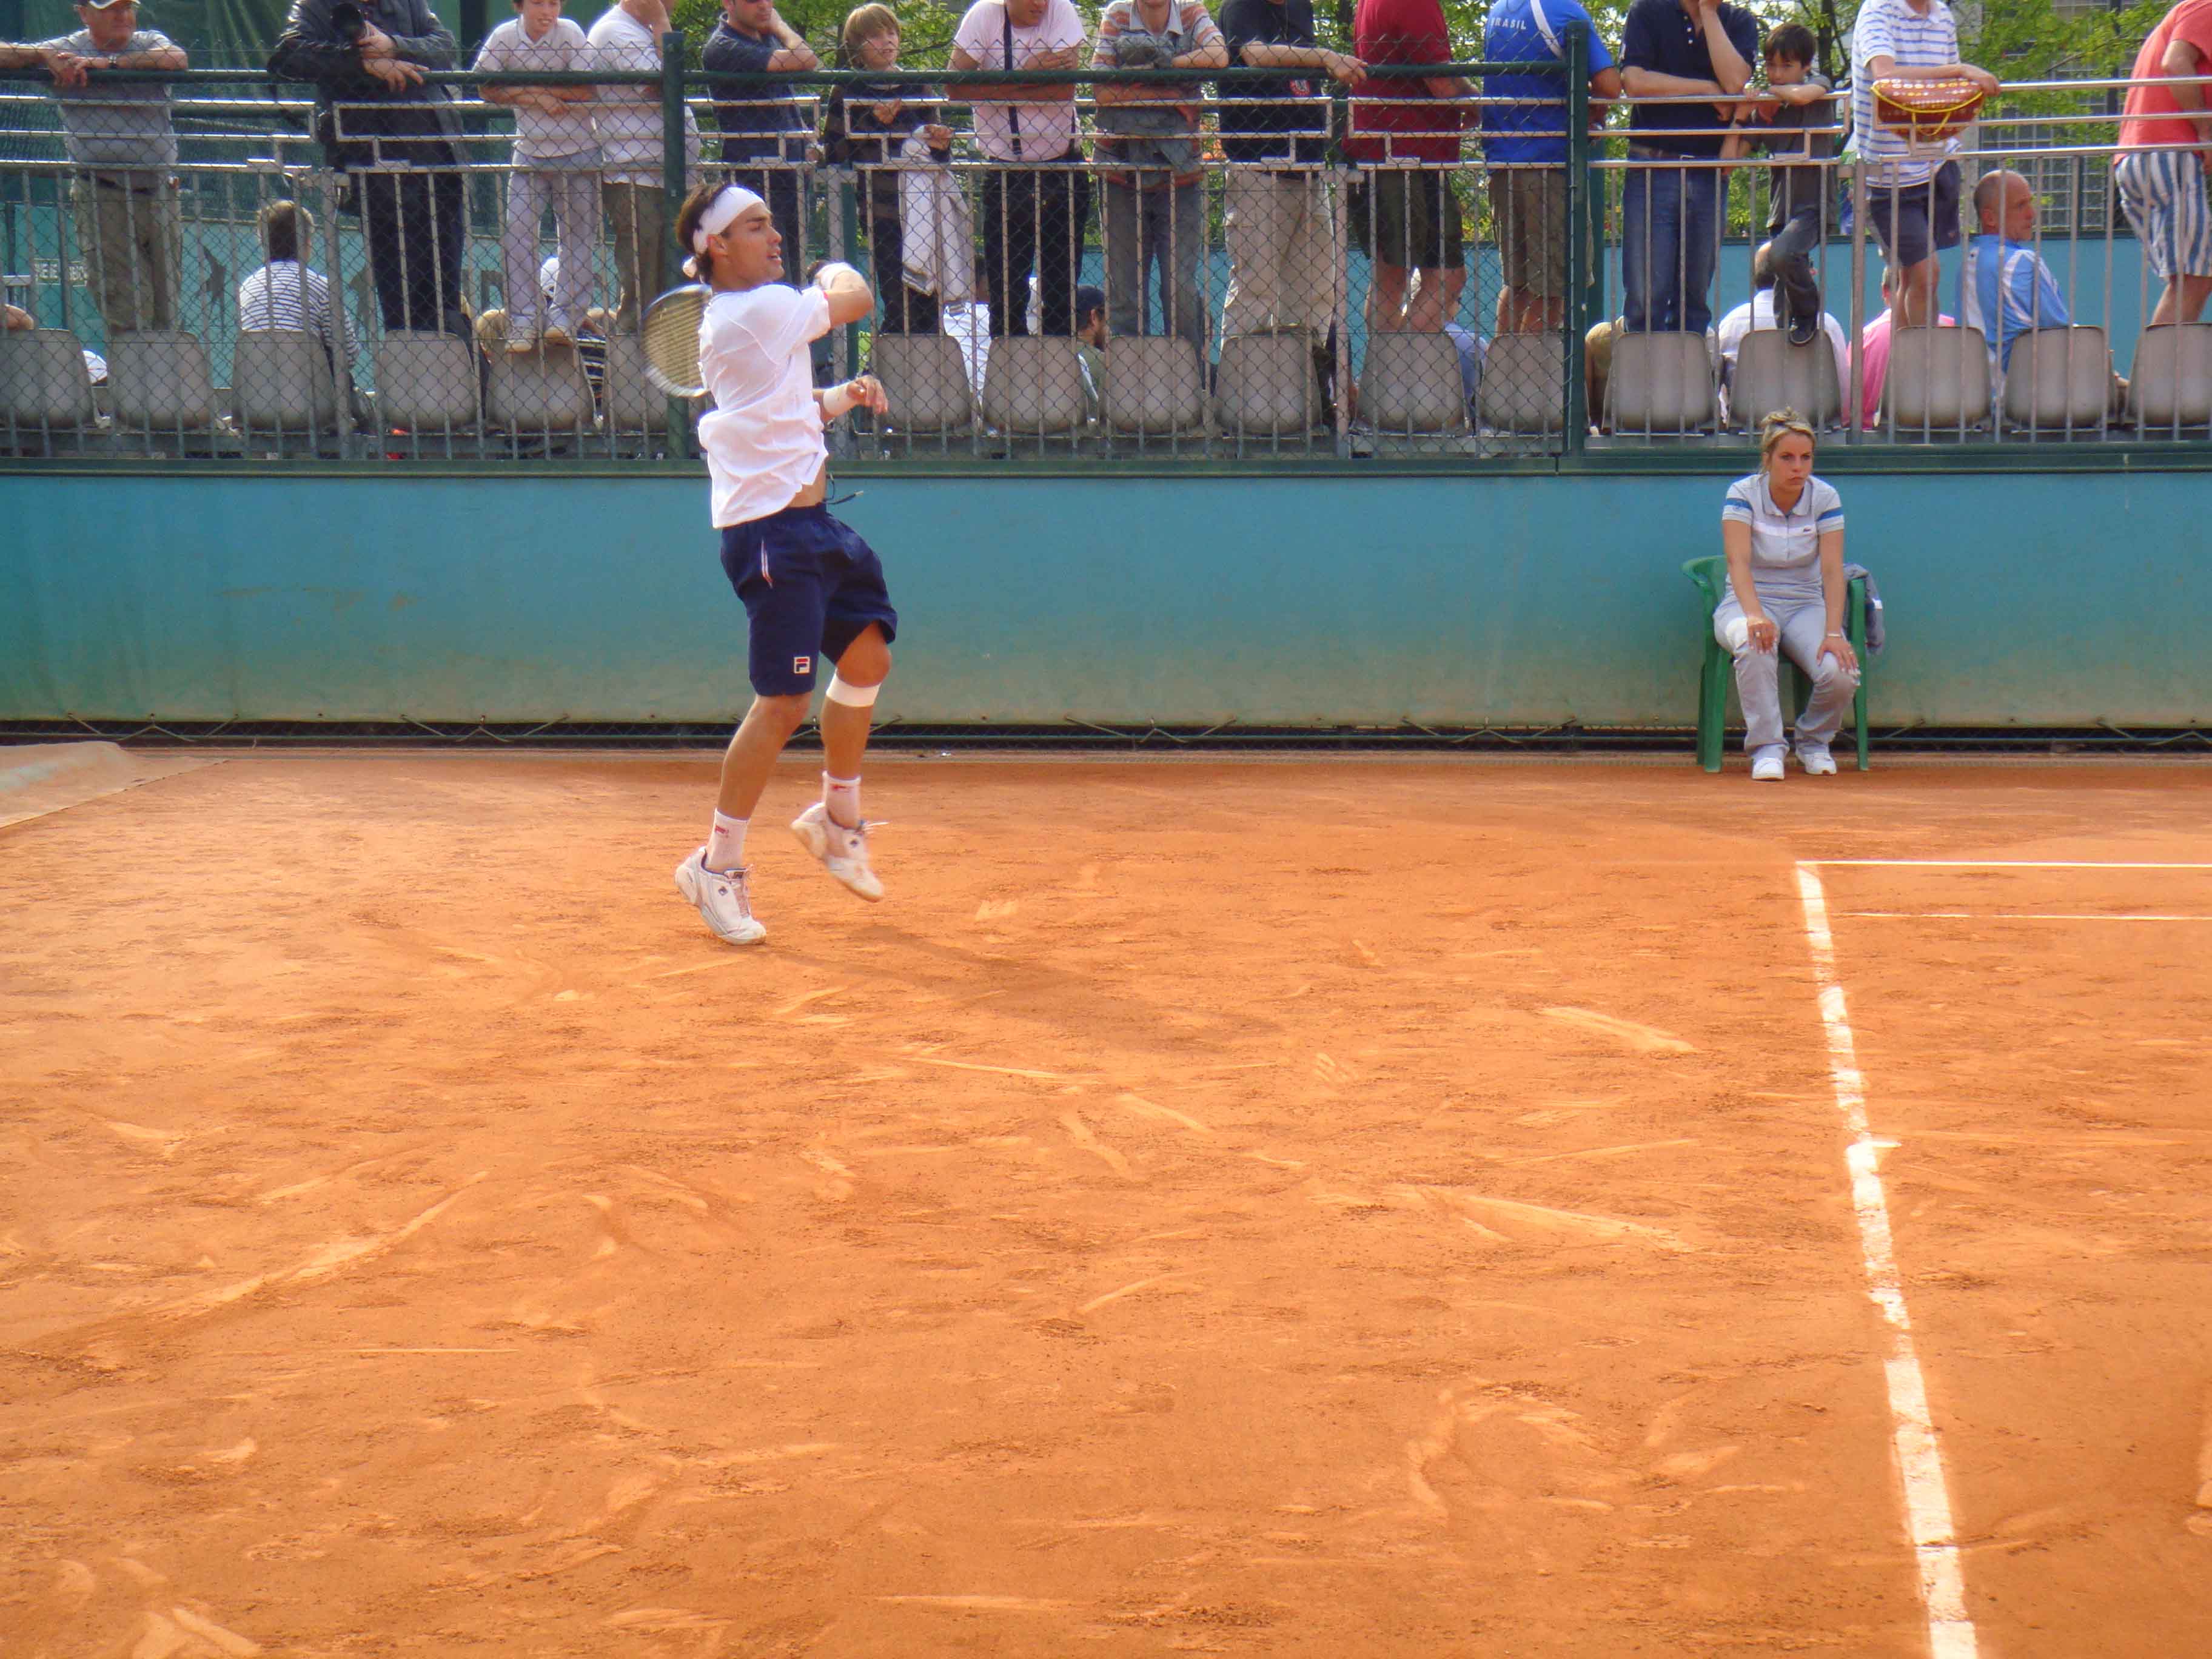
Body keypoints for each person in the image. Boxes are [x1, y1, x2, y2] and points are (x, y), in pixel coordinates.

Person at [671, 181, 897, 947]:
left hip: (810, 526)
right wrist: (836, 265)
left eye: (773, 224)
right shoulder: (759, 309)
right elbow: (856, 295)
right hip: (771, 534)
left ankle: (837, 820)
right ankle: (716, 863)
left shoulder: (752, 319)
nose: (774, 238)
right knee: (782, 703)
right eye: (755, 226)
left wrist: (836, 398)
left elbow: (770, 407)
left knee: (866, 657)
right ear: (715, 247)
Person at [271, 0, 470, 340]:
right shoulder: (314, 7)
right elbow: (287, 58)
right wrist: (362, 61)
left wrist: (394, 45)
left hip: (440, 163)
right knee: (401, 295)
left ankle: (454, 373)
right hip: (378, 173)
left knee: (446, 294)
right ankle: (408, 378)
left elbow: (444, 45)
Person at [0, 0, 186, 334]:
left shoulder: (148, 42)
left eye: (128, 8)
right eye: (111, 9)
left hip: (160, 189)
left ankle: (167, 383)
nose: (123, 16)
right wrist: (41, 56)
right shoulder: (66, 49)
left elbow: (177, 59)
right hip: (103, 192)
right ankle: (134, 383)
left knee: (168, 307)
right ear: (84, 13)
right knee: (127, 308)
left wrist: (107, 64)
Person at [1713, 409, 1858, 780]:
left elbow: (1831, 570)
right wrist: (1755, 615)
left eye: (1806, 458)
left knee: (1841, 671)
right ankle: (1767, 749)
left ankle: (1812, 743)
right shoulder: (1742, 493)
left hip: (1806, 603)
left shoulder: (1825, 497)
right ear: (1767, 460)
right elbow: (1738, 563)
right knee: (1754, 642)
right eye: (1787, 458)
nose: (1798, 467)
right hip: (1746, 602)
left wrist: (1832, 633)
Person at [1216, 0, 1359, 350]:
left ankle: (1308, 388)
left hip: (1309, 170)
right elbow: (1256, 55)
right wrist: (1325, 56)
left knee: (1318, 286)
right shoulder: (1240, 6)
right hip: (1258, 170)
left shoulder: (1300, 7)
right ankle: (1238, 392)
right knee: (1256, 286)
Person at [1849, 0, 1999, 328]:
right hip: (1887, 177)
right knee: (1926, 274)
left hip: (1934, 167)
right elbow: (1885, 76)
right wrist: (1960, 70)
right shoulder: (1878, 10)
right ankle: (1924, 367)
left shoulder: (1942, 16)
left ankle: (1905, 372)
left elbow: (1949, 92)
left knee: (1912, 277)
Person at [949, 0, 1093, 338]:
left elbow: (1063, 89)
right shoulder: (984, 16)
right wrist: (1030, 75)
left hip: (1063, 167)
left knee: (1060, 290)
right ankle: (1009, 375)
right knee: (1006, 291)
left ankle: (1059, 370)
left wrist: (990, 86)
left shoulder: (1062, 11)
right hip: (1005, 171)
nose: (1040, 4)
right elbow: (956, 87)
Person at [1090, 0, 1227, 354]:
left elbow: (1218, 56)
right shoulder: (1117, 14)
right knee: (1124, 293)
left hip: (1180, 181)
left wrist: (1161, 65)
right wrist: (1173, 92)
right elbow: (1102, 88)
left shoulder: (1191, 12)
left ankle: (1188, 390)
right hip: (1120, 175)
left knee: (1181, 290)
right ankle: (1127, 391)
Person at [1617, 0, 1758, 337]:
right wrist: (1706, 89)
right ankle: (1642, 385)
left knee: (1694, 299)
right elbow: (1634, 81)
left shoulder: (1738, 21)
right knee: (1646, 296)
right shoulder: (1646, 11)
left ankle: (1688, 385)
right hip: (1652, 165)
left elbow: (1736, 82)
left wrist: (1709, 14)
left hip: (1709, 172)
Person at [1481, 0, 1620, 334]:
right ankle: (1535, 380)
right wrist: (1589, 108)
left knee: (1516, 284)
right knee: (1554, 288)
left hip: (1503, 164)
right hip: (1550, 169)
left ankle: (1501, 378)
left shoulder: (1501, 10)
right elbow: (1611, 86)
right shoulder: (1564, 12)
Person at [474, 0, 598, 352]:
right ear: (520, 6)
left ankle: (564, 319)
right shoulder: (504, 36)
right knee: (517, 232)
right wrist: (534, 96)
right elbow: (484, 85)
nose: (548, 11)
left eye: (555, 3)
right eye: (540, 3)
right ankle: (525, 320)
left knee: (577, 237)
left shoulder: (570, 32)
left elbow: (587, 89)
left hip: (578, 151)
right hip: (529, 151)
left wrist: (530, 90)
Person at [822, 4, 952, 334]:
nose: (886, 41)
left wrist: (940, 142)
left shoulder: (917, 85)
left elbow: (938, 150)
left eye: (891, 32)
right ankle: (895, 355)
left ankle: (929, 354)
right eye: (875, 35)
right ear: (857, 46)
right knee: (895, 291)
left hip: (925, 204)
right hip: (881, 209)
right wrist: (870, 122)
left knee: (929, 295)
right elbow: (835, 150)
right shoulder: (848, 89)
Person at [1345, 0, 1471, 333]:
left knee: (1395, 275)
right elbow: (1442, 83)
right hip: (1404, 153)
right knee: (1430, 274)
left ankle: (1390, 370)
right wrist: (1484, 106)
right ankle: (1397, 370)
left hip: (1399, 152)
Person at [589, 0, 702, 335]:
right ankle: (635, 372)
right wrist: (660, 21)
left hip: (667, 174)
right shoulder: (616, 30)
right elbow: (667, 81)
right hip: (634, 174)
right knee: (644, 281)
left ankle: (675, 360)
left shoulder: (644, 30)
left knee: (678, 276)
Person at [1720, 22, 1832, 346]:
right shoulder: (1766, 111)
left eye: (1787, 66)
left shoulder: (1819, 86)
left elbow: (1804, 95)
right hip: (1781, 212)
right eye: (1771, 66)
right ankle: (1796, 352)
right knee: (1783, 314)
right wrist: (1743, 115)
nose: (1777, 73)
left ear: (1806, 66)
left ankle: (1811, 313)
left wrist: (1769, 95)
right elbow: (1728, 165)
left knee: (1781, 255)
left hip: (1813, 204)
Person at [2115, 0, 2212, 327]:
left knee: (2188, 278)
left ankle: (2158, 373)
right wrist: (2205, 132)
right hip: (2168, 154)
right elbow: (2176, 62)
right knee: (2193, 279)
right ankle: (2156, 377)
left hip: (2143, 157)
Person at [703, 0, 819, 272]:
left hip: (790, 172)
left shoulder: (766, 39)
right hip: (755, 176)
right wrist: (780, 25)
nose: (765, 5)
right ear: (728, 3)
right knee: (768, 271)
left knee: (795, 267)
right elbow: (806, 59)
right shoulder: (723, 46)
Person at [237, 199, 356, 380]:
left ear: (263, 243)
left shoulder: (247, 287)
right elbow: (349, 354)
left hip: (257, 390)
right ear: (307, 242)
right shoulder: (321, 286)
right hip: (312, 392)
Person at [1714, 243, 1847, 392]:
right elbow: (1843, 392)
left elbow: (1716, 388)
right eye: (1809, 265)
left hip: (1746, 416)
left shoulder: (1730, 323)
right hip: (1810, 416)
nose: (1814, 271)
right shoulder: (1825, 324)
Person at [1848, 264, 1953, 429]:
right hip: (1948, 431)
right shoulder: (1953, 330)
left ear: (1885, 291)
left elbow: (1849, 405)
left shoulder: (1866, 338)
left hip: (1877, 438)